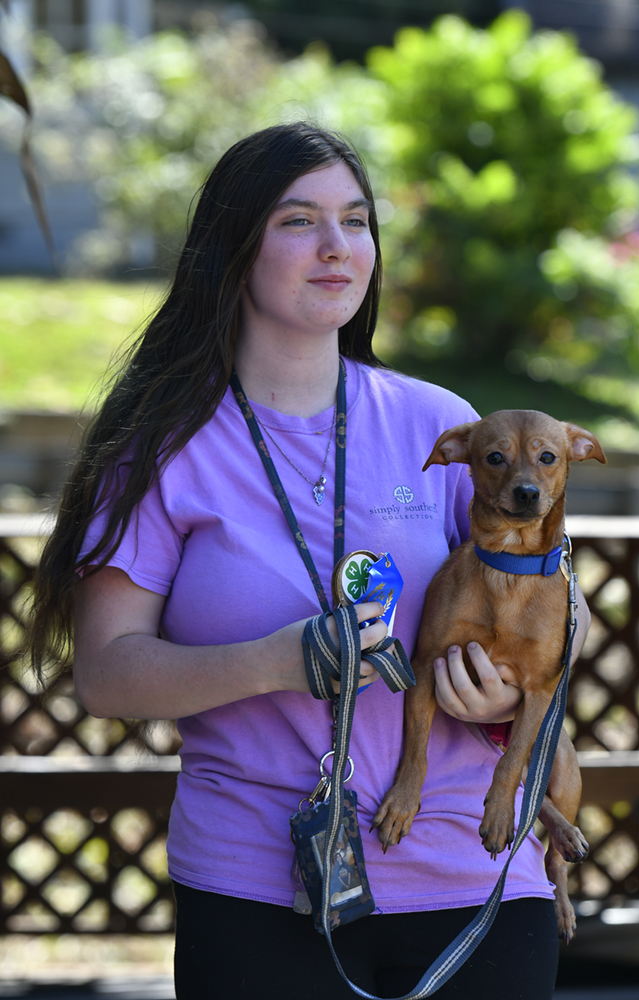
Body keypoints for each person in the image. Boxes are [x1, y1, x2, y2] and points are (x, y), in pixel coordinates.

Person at [29, 122, 589, 999]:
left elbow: (547, 615)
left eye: (356, 221)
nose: (336, 248)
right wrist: (279, 662)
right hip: (259, 890)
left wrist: (499, 702)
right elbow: (105, 677)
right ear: (233, 249)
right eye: (298, 221)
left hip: (475, 880)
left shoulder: (438, 424)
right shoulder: (165, 448)